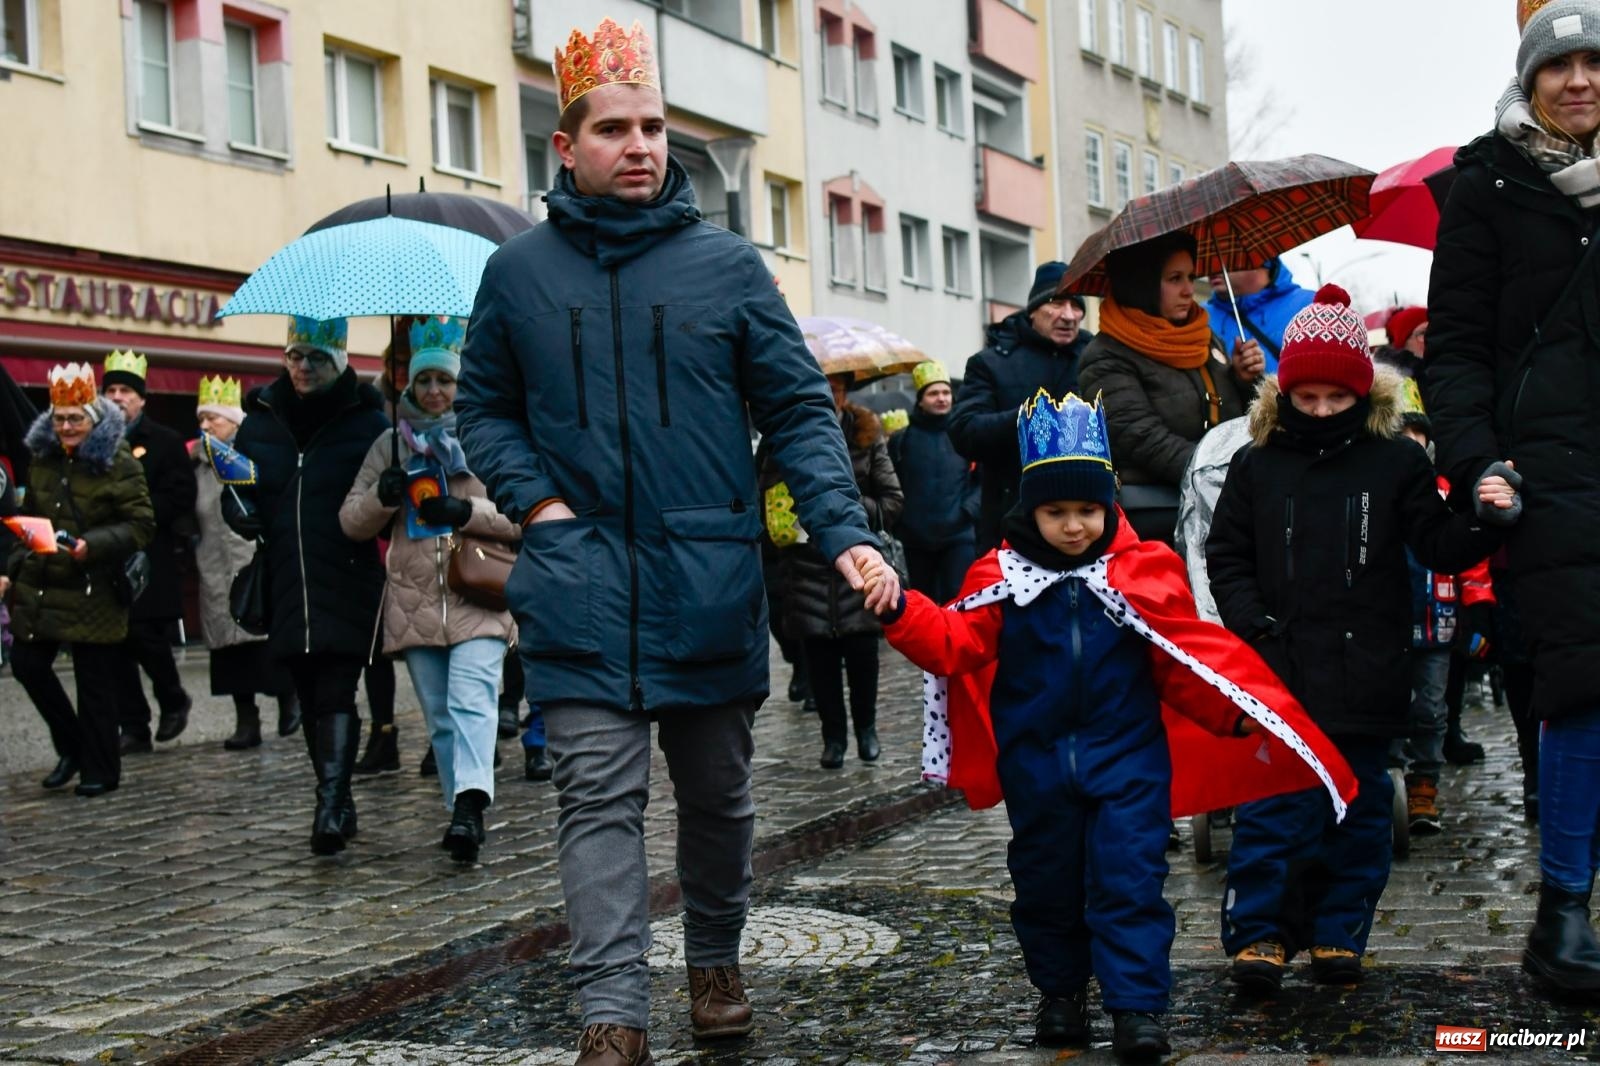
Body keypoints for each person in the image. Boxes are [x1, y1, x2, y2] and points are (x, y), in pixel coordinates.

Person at [453, 18, 894, 1065]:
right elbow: (485, 409)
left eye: (653, 126)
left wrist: (842, 532)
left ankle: (713, 956)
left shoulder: (730, 267)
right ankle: (611, 1011)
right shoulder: (516, 275)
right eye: (614, 128)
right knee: (596, 799)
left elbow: (796, 410)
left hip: (708, 579)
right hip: (578, 579)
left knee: (718, 797)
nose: (641, 145)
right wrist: (538, 505)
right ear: (566, 146)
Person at [865, 389, 1354, 1064]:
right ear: (1029, 511)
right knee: (1048, 887)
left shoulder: (1142, 573)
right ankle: (1061, 995)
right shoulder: (1000, 576)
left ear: (1109, 504)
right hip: (1038, 773)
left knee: (1129, 884)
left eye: (1088, 510)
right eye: (1056, 511)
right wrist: (900, 610)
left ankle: (1136, 1007)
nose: (1073, 526)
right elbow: (952, 642)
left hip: (1129, 768)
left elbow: (1180, 662)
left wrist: (1235, 715)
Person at [1205, 286, 1510, 994]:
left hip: (1369, 666)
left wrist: (1484, 520)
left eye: (1332, 400)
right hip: (1280, 665)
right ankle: (1260, 933)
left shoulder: (1393, 462)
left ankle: (1339, 932)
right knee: (1275, 808)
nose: (1317, 413)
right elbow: (1228, 556)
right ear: (1285, 396)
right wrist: (1254, 625)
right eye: (1304, 399)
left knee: (1359, 810)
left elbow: (1436, 543)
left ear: (1359, 397)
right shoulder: (1258, 464)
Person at [1425, 0, 1600, 996]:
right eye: (1556, 65)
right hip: (1543, 477)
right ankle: (1562, 916)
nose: (1576, 80)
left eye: (1591, 63)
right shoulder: (1481, 188)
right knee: (1577, 686)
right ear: (1527, 81)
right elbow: (1453, 350)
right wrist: (1477, 456)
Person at [340, 316, 521, 863]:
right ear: (408, 386)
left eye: (444, 380)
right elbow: (351, 521)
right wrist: (384, 496)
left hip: (478, 592)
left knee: (472, 703)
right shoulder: (389, 447)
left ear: (460, 385)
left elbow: (519, 516)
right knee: (441, 717)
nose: (435, 391)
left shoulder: (485, 437)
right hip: (414, 603)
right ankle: (459, 812)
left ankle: (471, 805)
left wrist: (468, 510)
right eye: (424, 382)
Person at [226, 316, 388, 856]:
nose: (302, 367)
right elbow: (241, 490)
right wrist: (239, 509)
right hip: (284, 577)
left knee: (337, 688)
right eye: (295, 355)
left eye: (315, 357)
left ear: (338, 361)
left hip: (345, 571)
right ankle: (338, 800)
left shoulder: (366, 420)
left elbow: (379, 503)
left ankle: (330, 805)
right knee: (307, 691)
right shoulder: (262, 419)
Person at [9, 363, 154, 797]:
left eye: (75, 419)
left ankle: (101, 768)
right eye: (59, 419)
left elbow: (142, 524)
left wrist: (94, 543)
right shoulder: (42, 458)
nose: (67, 427)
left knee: (94, 682)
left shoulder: (119, 461)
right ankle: (72, 745)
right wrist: (16, 560)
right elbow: (30, 510)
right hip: (45, 581)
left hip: (95, 582)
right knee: (27, 665)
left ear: (93, 419)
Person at [1078, 232, 1262, 545]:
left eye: (1191, 276)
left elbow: (1233, 419)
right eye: (1175, 278)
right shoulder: (1106, 355)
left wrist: (1244, 381)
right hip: (1157, 522)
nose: (1189, 290)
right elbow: (1141, 437)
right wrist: (1217, 474)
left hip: (1222, 504)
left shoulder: (1202, 337)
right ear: (1142, 283)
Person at [765, 374, 903, 768]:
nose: (830, 395)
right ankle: (834, 738)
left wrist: (844, 506)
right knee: (819, 658)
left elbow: (892, 502)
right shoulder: (783, 437)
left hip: (858, 564)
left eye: (837, 388)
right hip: (805, 564)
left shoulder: (866, 436)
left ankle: (867, 729)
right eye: (822, 386)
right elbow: (764, 490)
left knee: (863, 653)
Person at [1388, 378, 1496, 834]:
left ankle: (1424, 785)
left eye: (1419, 435)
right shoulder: (1383, 491)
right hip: (1388, 623)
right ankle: (1387, 782)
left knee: (1431, 708)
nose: (1413, 444)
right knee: (1389, 704)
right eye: (1403, 435)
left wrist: (1479, 610)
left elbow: (1470, 561)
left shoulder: (1447, 492)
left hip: (1439, 623)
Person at [949, 262, 1092, 553]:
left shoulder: (1096, 357)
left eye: (1076, 306)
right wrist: (1030, 417)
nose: (1068, 315)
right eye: (1056, 303)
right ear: (1034, 309)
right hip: (1012, 524)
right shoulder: (991, 362)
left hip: (1085, 526)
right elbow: (965, 430)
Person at [191, 375, 299, 750]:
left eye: (214, 419)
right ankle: (245, 718)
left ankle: (288, 700)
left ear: (235, 423)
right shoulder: (197, 466)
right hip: (212, 562)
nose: (206, 426)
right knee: (228, 649)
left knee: (261, 635)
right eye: (202, 419)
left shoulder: (249, 454)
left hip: (248, 554)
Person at [100, 350, 195, 754]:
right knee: (115, 643)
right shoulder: (94, 440)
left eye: (125, 390)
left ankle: (173, 697)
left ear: (141, 398)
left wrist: (136, 514)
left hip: (148, 552)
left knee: (145, 635)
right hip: (106, 554)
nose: (118, 397)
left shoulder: (165, 441)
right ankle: (133, 726)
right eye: (111, 390)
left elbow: (180, 496)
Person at [889, 360, 979, 604]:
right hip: (916, 538)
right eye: (933, 393)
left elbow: (983, 478)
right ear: (920, 399)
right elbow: (890, 483)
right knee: (923, 603)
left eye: (946, 392)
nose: (941, 398)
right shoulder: (902, 439)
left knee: (958, 599)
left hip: (959, 535)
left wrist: (969, 509)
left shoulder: (965, 433)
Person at [1204, 258, 1316, 373]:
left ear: (1261, 259)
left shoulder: (1312, 306)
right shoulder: (1200, 317)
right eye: (1210, 259)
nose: (1212, 268)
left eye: (1224, 257)